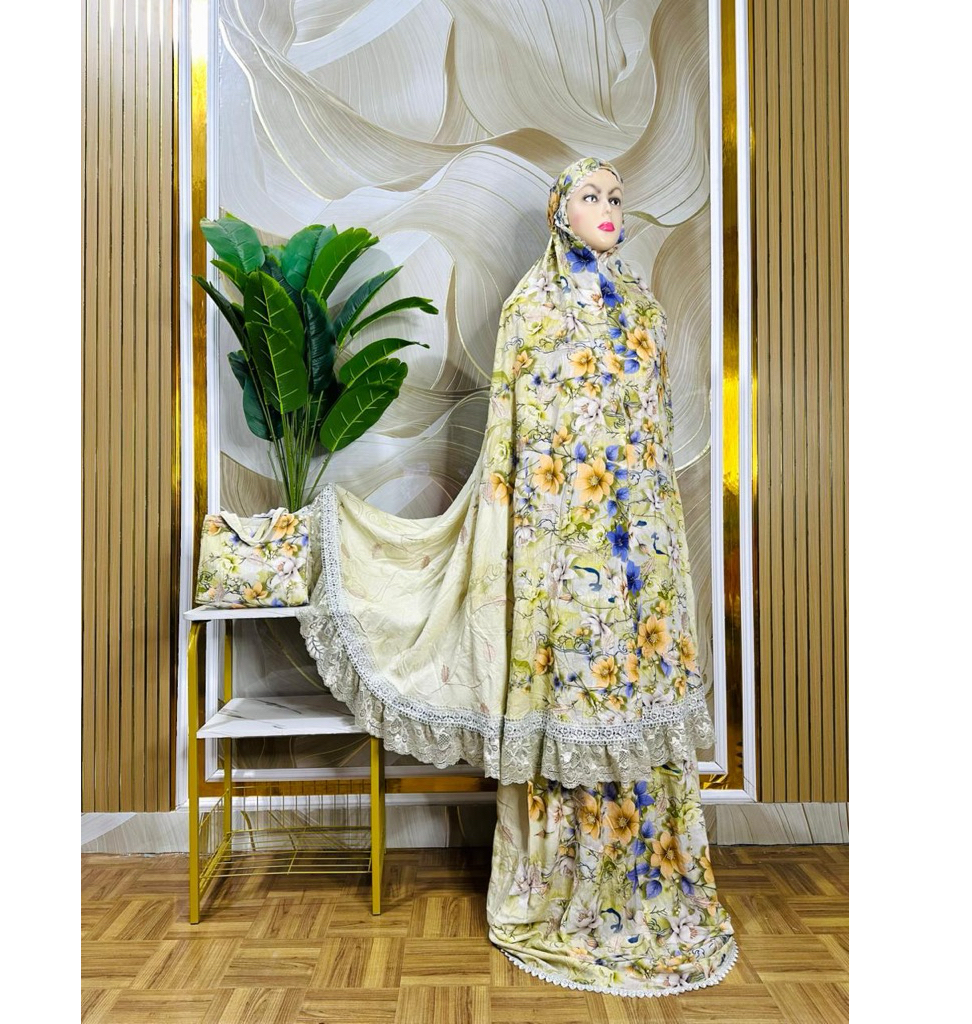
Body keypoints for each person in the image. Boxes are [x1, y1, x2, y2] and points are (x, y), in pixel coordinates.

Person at [298, 156, 738, 996]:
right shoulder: (530, 308)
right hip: (562, 555)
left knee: (637, 699)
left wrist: (656, 544)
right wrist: (539, 550)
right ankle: (560, 885)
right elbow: (515, 440)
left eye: (616, 197)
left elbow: (653, 436)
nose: (608, 208)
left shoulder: (643, 309)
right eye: (590, 196)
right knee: (575, 703)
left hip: (641, 554)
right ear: (559, 211)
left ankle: (648, 878)